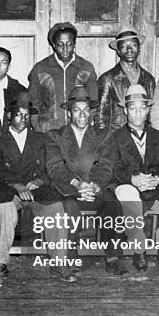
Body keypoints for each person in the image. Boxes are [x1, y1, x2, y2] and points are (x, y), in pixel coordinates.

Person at [92, 84, 159, 272]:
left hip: (156, 189)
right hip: (130, 188)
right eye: (133, 108)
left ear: (147, 111)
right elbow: (110, 168)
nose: (137, 113)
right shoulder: (114, 138)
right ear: (126, 111)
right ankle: (139, 250)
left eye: (142, 108)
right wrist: (132, 179)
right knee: (127, 193)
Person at [46, 86, 126, 280]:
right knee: (69, 208)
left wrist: (95, 185)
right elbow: (55, 167)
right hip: (69, 190)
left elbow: (107, 165)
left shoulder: (103, 136)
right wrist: (77, 184)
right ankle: (71, 259)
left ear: (91, 112)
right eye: (76, 110)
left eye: (85, 110)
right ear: (69, 113)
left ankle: (113, 258)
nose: (82, 114)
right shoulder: (55, 136)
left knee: (113, 204)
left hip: (95, 188)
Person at [0, 92, 63, 285]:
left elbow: (51, 169)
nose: (23, 119)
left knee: (55, 204)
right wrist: (17, 185)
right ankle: (0, 263)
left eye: (27, 116)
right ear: (8, 116)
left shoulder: (41, 139)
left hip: (35, 188)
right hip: (10, 189)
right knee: (3, 204)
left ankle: (59, 260)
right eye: (18, 115)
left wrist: (38, 182)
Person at [28, 22, 97, 133]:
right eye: (60, 44)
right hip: (49, 132)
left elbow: (93, 101)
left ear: (74, 44)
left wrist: (85, 125)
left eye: (69, 44)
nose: (65, 49)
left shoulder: (86, 68)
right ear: (54, 45)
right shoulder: (40, 69)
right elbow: (33, 102)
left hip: (78, 132)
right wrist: (38, 127)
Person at [96, 27, 156, 131]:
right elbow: (101, 117)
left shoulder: (148, 79)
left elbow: (151, 114)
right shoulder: (108, 79)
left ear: (139, 48)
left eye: (133, 45)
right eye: (124, 46)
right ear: (118, 51)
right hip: (116, 139)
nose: (129, 49)